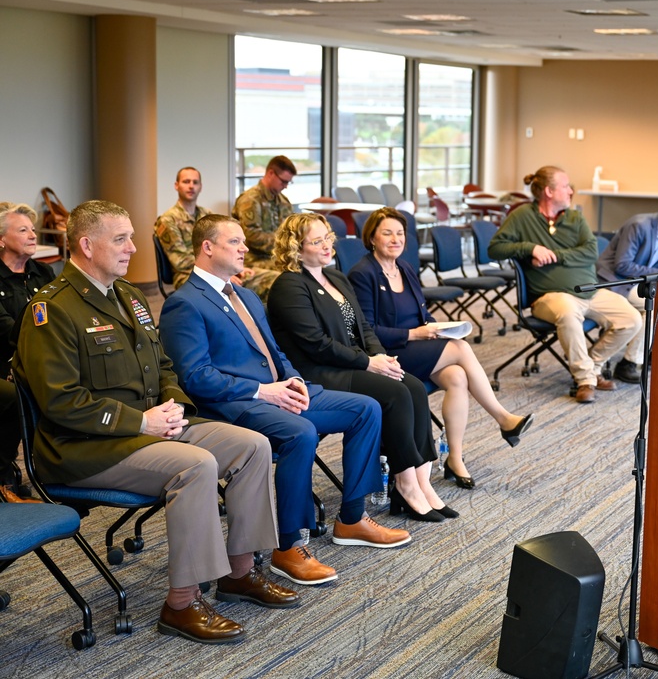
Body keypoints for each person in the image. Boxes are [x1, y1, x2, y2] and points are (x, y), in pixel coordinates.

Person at [13, 199, 300, 644]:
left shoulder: (129, 296)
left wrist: (174, 408)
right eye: (121, 239)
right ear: (87, 245)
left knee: (252, 445)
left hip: (151, 427)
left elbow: (165, 366)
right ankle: (181, 604)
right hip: (85, 447)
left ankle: (240, 573)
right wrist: (140, 422)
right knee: (196, 465)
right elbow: (61, 402)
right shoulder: (52, 310)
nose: (132, 248)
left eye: (132, 237)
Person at [160, 214, 410, 587]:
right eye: (235, 243)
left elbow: (275, 352)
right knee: (300, 432)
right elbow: (195, 377)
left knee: (365, 408)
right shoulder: (185, 303)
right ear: (207, 248)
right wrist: (264, 391)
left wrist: (293, 380)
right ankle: (288, 545)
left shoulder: (244, 294)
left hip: (279, 392)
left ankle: (352, 519)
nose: (245, 248)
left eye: (244, 241)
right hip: (234, 404)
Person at [267, 213, 455, 521]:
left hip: (352, 363)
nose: (328, 246)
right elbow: (317, 344)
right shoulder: (289, 285)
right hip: (317, 372)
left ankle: (422, 481)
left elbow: (365, 327)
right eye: (317, 241)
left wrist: (383, 359)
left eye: (328, 237)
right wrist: (369, 363)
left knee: (414, 386)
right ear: (295, 248)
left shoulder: (336, 277)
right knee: (395, 393)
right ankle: (405, 484)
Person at [348, 207, 532, 489]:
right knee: (458, 349)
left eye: (400, 233)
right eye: (387, 233)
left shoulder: (405, 268)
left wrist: (439, 328)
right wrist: (415, 334)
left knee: (457, 376)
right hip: (390, 353)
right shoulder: (363, 273)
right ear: (371, 237)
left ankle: (455, 459)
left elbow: (423, 314)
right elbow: (367, 331)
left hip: (419, 345)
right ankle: (503, 418)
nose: (395, 239)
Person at [488, 165, 642, 403]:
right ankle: (585, 380)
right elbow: (495, 249)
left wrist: (555, 255)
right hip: (550, 296)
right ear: (549, 192)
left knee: (631, 319)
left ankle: (593, 365)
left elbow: (591, 252)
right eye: (565, 186)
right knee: (568, 313)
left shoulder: (575, 217)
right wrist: (531, 248)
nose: (571, 191)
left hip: (589, 291)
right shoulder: (522, 217)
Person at [595, 198, 658, 382]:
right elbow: (622, 265)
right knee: (655, 305)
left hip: (635, 282)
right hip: (615, 281)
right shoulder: (638, 226)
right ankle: (629, 363)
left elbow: (657, 263)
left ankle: (643, 353)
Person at [0, 202, 55, 502]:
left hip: (41, 360)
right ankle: (3, 476)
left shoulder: (43, 272)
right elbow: (7, 331)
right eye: (23, 230)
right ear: (1, 239)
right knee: (21, 395)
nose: (33, 235)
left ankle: (56, 469)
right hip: (4, 365)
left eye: (33, 230)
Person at [155, 166, 278, 300]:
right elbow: (181, 262)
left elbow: (223, 246)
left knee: (275, 281)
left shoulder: (207, 214)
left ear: (200, 187)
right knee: (245, 288)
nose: (191, 186)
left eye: (195, 182)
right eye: (186, 182)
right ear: (176, 185)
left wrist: (236, 269)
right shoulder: (167, 220)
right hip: (190, 276)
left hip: (220, 269)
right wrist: (221, 274)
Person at [232, 155, 296, 269]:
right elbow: (252, 236)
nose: (285, 186)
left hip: (277, 256)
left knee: (308, 267)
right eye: (283, 181)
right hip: (253, 260)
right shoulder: (250, 200)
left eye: (288, 183)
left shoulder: (284, 202)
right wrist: (284, 243)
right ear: (271, 173)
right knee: (290, 273)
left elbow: (291, 230)